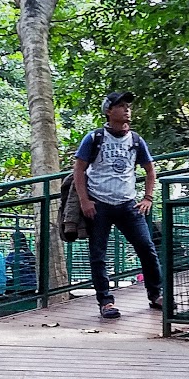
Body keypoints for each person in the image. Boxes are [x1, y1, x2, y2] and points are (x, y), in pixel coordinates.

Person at [73, 90, 163, 320]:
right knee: (98, 255)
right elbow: (79, 169)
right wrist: (84, 200)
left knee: (147, 248)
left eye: (128, 106)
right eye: (121, 106)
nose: (127, 110)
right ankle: (106, 302)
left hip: (128, 205)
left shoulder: (136, 140)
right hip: (99, 204)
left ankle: (156, 294)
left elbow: (150, 170)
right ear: (108, 111)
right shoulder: (94, 138)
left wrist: (148, 197)